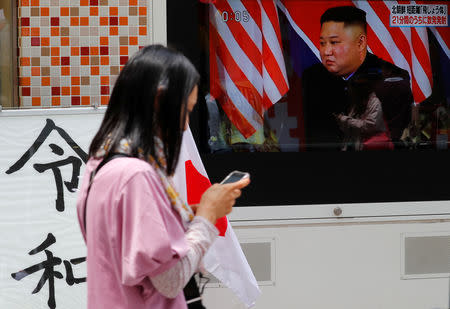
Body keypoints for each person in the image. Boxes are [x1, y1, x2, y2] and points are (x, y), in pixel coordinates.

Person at [76, 44, 250, 309]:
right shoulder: (137, 176)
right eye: (185, 111)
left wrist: (188, 214)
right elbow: (170, 279)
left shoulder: (100, 162)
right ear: (159, 99)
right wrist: (207, 218)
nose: (184, 125)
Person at [302, 5, 413, 150]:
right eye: (322, 43)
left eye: (334, 42)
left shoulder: (393, 78)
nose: (326, 51)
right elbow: (316, 137)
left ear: (360, 43)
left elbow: (394, 137)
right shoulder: (313, 77)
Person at [335, 74, 394, 151]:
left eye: (351, 89)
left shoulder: (375, 102)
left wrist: (345, 119)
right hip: (355, 145)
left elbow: (370, 125)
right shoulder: (356, 104)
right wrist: (341, 122)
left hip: (368, 145)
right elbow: (350, 129)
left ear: (359, 90)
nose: (349, 91)